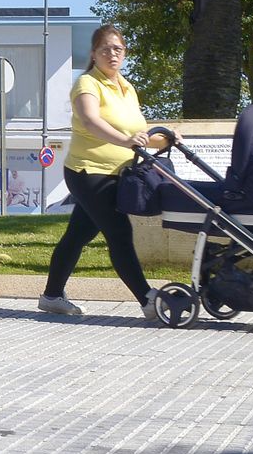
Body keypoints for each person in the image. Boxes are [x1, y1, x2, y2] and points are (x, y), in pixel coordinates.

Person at [38, 23, 175, 320]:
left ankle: (51, 296)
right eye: (105, 49)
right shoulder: (87, 84)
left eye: (117, 49)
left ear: (124, 53)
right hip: (89, 172)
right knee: (119, 232)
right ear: (93, 54)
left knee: (78, 234)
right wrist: (126, 141)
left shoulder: (127, 88)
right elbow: (90, 121)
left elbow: (137, 133)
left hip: (118, 173)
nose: (112, 54)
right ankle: (147, 299)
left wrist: (166, 139)